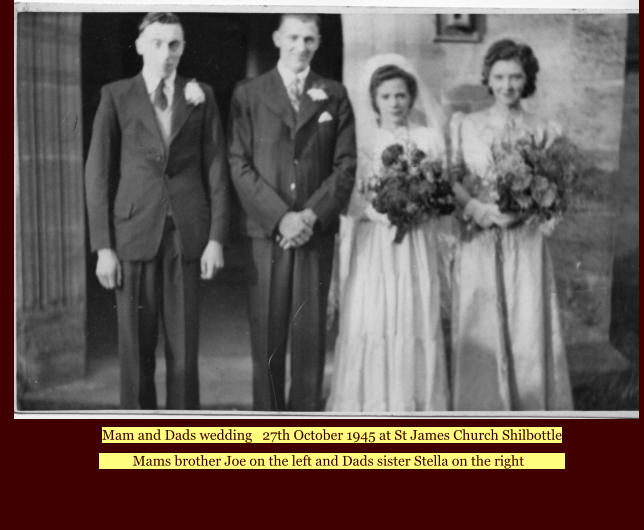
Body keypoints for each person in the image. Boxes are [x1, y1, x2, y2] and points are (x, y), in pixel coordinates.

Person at [85, 12, 230, 409]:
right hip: (132, 235)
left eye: (175, 45)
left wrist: (216, 238)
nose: (166, 53)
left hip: (186, 235)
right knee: (135, 354)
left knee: (184, 353)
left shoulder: (201, 95)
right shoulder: (116, 95)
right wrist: (103, 247)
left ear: (183, 48)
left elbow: (217, 168)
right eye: (157, 43)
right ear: (139, 46)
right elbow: (97, 173)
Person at [228, 14, 356, 411]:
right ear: (277, 38)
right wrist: (281, 216)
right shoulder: (248, 93)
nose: (301, 46)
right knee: (267, 339)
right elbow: (238, 161)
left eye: (310, 39)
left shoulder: (333, 94)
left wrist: (310, 215)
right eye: (294, 37)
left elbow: (346, 164)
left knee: (309, 338)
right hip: (267, 234)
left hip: (314, 234)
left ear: (318, 44)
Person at [449, 39, 573, 411]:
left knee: (526, 322)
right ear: (488, 77)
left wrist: (520, 213)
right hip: (480, 235)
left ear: (528, 79)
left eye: (516, 77)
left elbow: (556, 186)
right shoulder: (465, 125)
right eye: (500, 77)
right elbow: (453, 178)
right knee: (481, 320)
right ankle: (483, 410)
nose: (507, 86)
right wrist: (477, 207)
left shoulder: (544, 129)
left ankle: (530, 410)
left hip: (525, 238)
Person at [326, 55, 450, 412]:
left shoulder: (427, 137)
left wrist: (420, 204)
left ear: (411, 98)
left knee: (413, 313)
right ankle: (371, 403)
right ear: (374, 101)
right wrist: (375, 213)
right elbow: (348, 198)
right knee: (374, 315)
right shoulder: (363, 140)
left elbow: (440, 191)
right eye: (386, 96)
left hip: (415, 239)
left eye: (400, 95)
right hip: (374, 242)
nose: (395, 103)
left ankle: (414, 403)